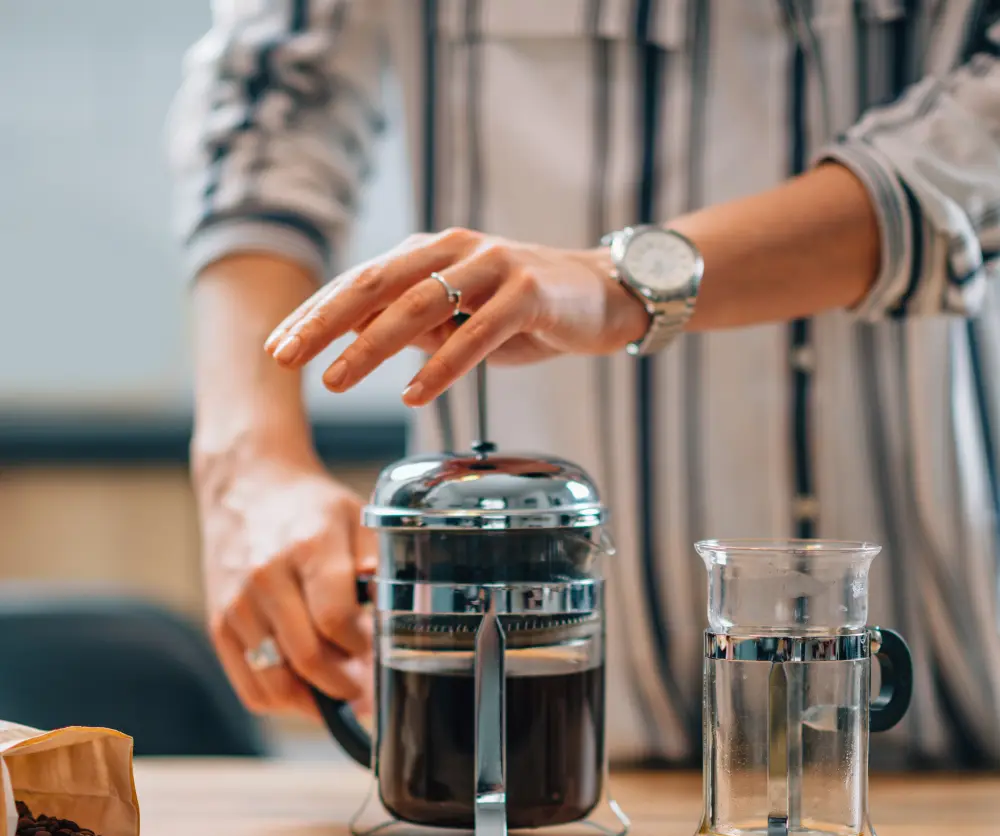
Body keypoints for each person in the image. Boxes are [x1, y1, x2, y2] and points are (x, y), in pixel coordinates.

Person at [168, 0, 1000, 769]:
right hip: (538, 761)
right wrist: (248, 465)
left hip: (953, 720)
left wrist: (627, 282)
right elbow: (270, 108)